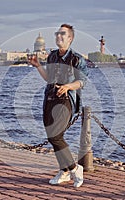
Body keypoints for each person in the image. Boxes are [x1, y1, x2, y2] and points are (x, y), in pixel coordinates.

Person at [28, 24, 88, 188]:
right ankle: (65, 171)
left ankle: (75, 169)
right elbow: (49, 78)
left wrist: (68, 86)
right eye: (57, 34)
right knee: (52, 136)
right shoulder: (52, 56)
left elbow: (82, 81)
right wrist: (38, 66)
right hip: (49, 98)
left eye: (63, 34)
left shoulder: (77, 59)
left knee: (56, 136)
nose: (58, 37)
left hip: (66, 99)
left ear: (70, 38)